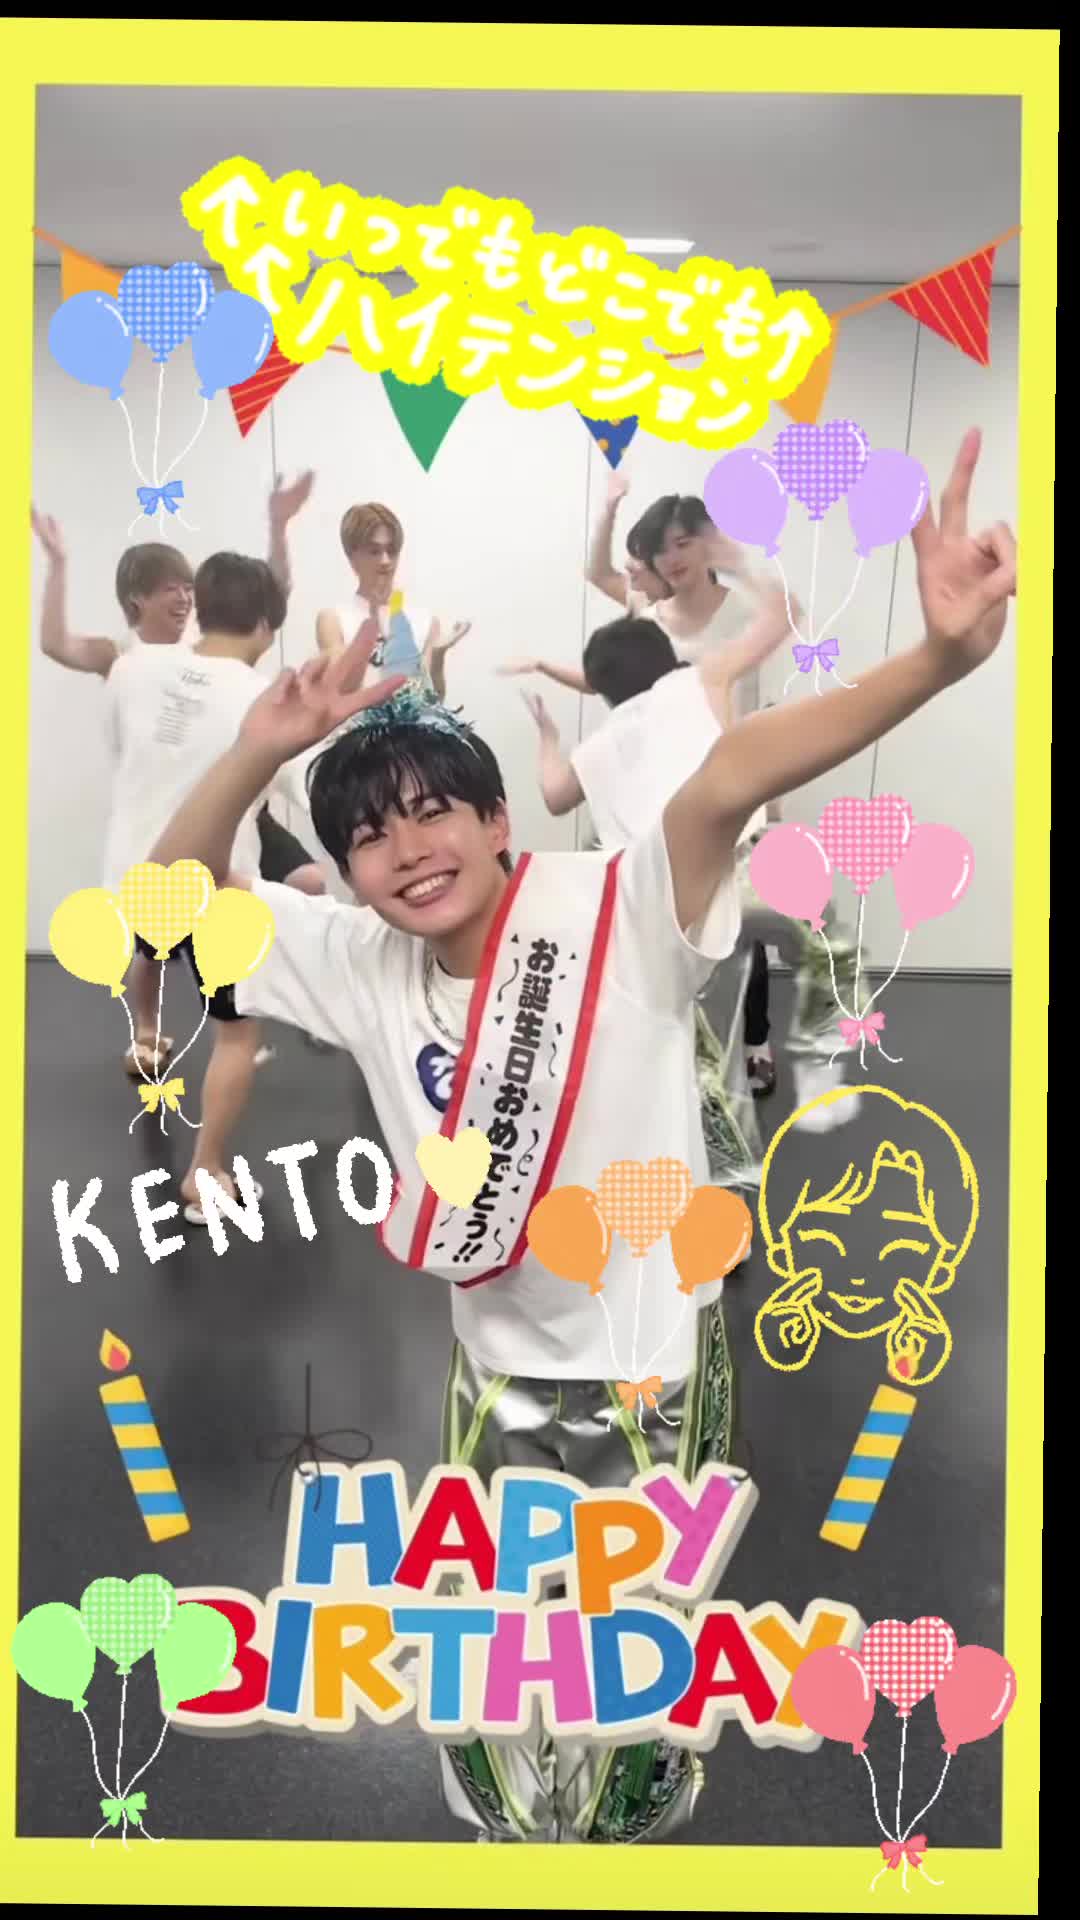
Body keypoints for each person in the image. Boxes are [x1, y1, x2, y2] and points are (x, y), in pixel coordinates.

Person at [150, 427, 1015, 1843]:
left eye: (438, 814)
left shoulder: (618, 911)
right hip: (493, 1362)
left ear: (503, 821)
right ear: (346, 869)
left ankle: (633, 1798)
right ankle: (518, 1809)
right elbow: (174, 898)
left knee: (639, 1629)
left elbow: (726, 779)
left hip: (651, 1356)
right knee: (500, 1619)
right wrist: (255, 753)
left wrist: (934, 662)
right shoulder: (357, 960)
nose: (410, 849)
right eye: (373, 837)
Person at [519, 609, 867, 1159]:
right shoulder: (695, 682)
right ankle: (820, 1063)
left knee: (705, 1050)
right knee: (831, 946)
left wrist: (547, 736)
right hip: (748, 872)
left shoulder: (599, 747)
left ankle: (722, 1172)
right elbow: (776, 624)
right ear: (667, 661)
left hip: (666, 906)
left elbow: (554, 795)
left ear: (603, 690)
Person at [501, 470, 785, 1094]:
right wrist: (609, 509)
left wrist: (547, 736)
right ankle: (675, 1058)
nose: (671, 558)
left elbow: (556, 792)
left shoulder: (718, 640)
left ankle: (733, 1045)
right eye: (661, 549)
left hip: (725, 802)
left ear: (706, 544)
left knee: (724, 939)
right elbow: (603, 647)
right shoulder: (665, 640)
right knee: (685, 938)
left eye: (684, 542)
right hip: (683, 833)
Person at [31, 471, 316, 1076]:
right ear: (137, 599)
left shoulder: (204, 648)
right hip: (166, 825)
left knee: (286, 894)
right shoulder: (125, 659)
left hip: (232, 811)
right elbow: (56, 643)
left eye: (189, 587)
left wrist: (278, 528)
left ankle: (242, 1028)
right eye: (170, 589)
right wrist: (57, 564)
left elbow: (265, 604)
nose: (184, 599)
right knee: (153, 949)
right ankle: (149, 1031)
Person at [104, 551, 328, 1224]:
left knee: (148, 954)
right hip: (213, 886)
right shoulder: (265, 700)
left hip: (136, 874)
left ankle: (145, 1039)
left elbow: (121, 752)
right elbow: (315, 791)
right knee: (236, 1034)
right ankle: (205, 1175)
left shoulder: (130, 669)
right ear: (266, 624)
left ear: (200, 607)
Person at [315, 500, 471, 699]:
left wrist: (438, 657)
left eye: (392, 551)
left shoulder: (424, 621)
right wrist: (373, 623)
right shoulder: (333, 619)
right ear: (352, 556)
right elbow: (340, 688)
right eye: (374, 551)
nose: (385, 561)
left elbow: (432, 701)